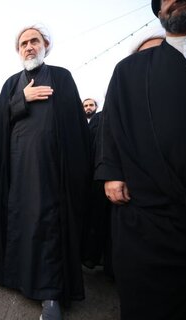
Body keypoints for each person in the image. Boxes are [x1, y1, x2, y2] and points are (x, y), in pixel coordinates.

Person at [94, 1, 186, 319]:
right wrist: (110, 172)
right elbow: (111, 124)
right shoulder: (129, 71)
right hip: (148, 220)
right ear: (158, 11)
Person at [0, 23, 91, 319]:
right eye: (23, 44)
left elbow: (75, 126)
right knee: (21, 224)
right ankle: (19, 279)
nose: (29, 47)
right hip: (18, 172)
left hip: (52, 173)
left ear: (46, 45)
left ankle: (50, 294)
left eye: (34, 41)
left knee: (48, 228)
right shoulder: (11, 83)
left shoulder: (61, 76)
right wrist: (23, 100)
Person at [81, 98, 112, 275]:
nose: (88, 108)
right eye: (85, 106)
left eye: (91, 105)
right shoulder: (81, 122)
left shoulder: (100, 119)